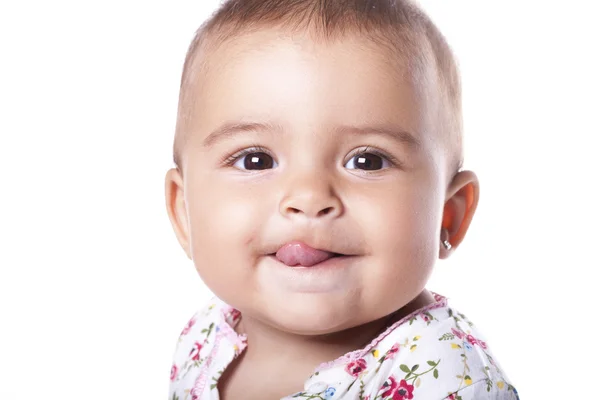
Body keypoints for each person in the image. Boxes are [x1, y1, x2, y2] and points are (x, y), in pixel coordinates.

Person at [164, 0, 518, 398]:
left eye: (367, 161)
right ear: (184, 213)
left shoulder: (443, 380)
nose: (309, 198)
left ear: (448, 216)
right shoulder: (206, 337)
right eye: (255, 160)